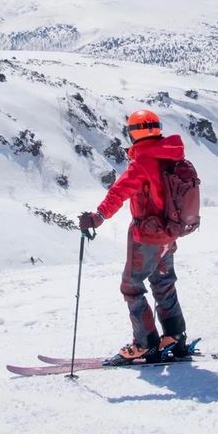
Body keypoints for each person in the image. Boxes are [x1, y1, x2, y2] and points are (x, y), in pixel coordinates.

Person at [78, 109, 188, 364]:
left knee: (131, 286)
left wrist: (97, 218)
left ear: (134, 133)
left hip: (147, 237)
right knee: (163, 284)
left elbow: (118, 193)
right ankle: (175, 336)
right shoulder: (171, 156)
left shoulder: (142, 162)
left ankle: (145, 343)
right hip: (168, 234)